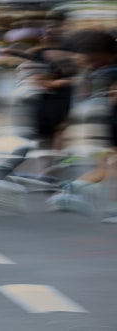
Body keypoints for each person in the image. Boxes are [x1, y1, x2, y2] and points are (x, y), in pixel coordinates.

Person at [44, 29, 117, 222]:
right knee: (112, 166)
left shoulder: (90, 73)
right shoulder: (107, 72)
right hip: (107, 124)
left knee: (108, 166)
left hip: (97, 126)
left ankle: (72, 188)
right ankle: (112, 208)